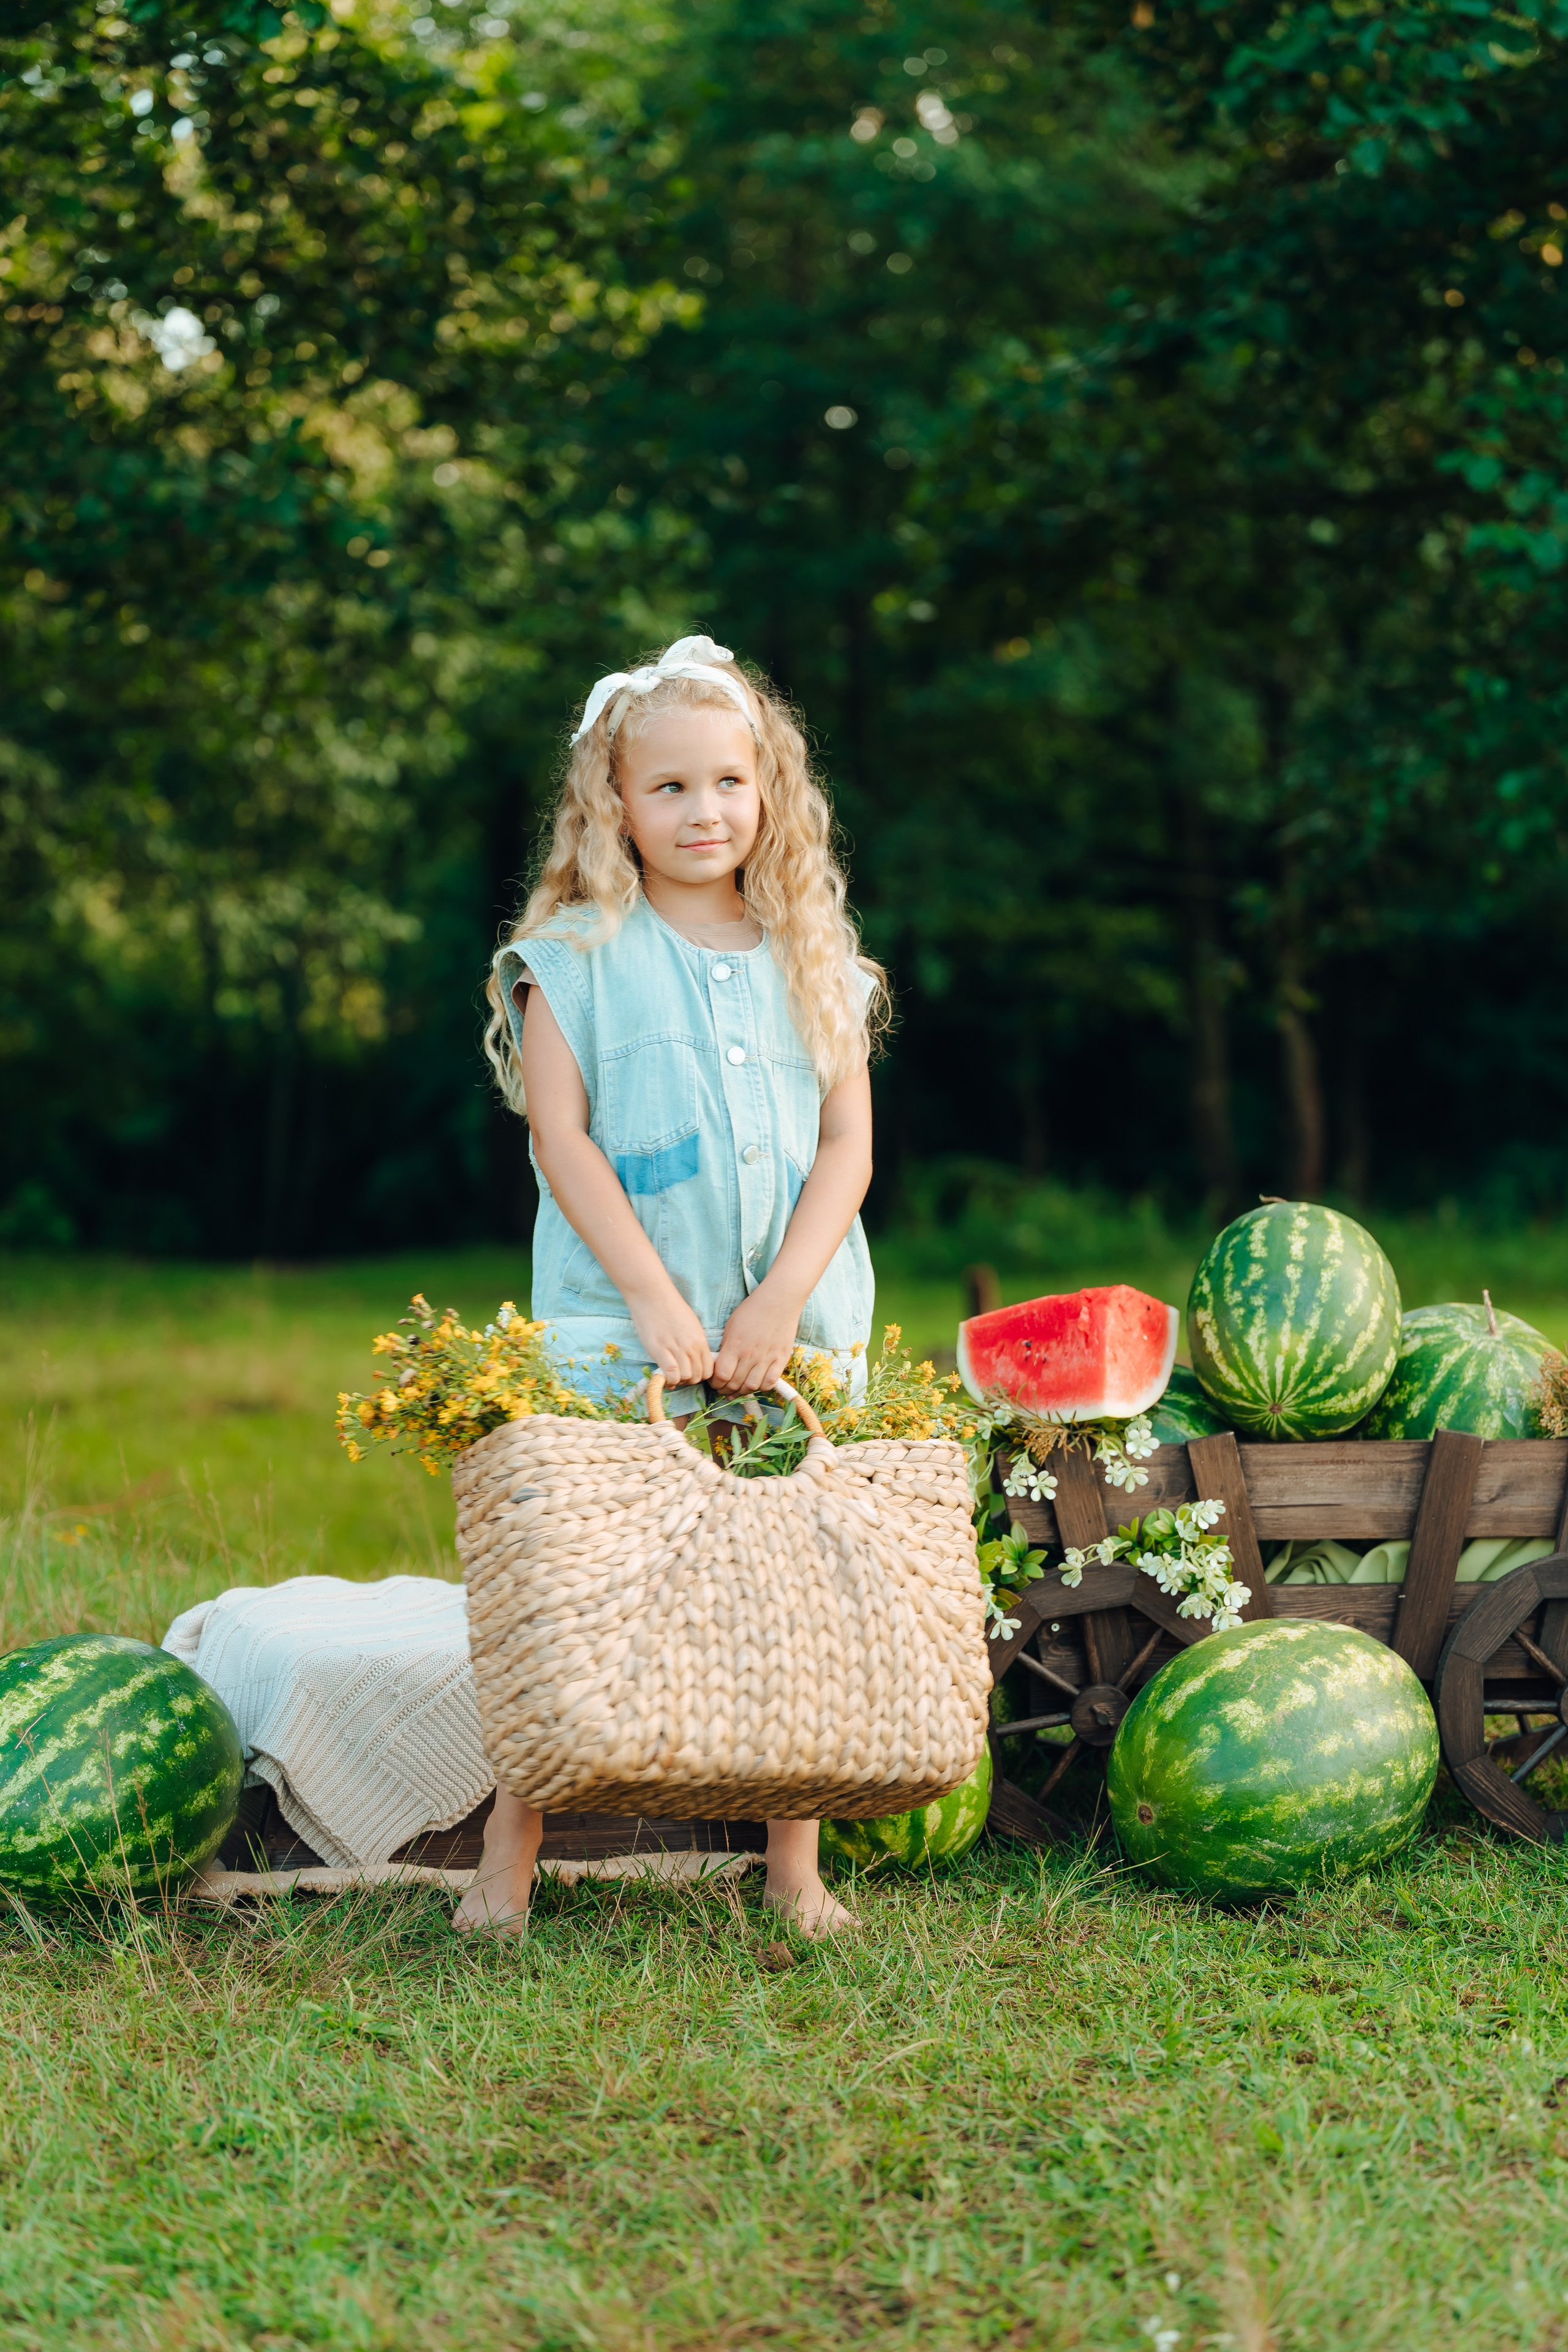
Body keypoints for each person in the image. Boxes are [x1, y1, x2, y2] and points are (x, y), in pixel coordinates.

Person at [456, 634, 888, 1939]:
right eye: (668, 790)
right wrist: (650, 1296)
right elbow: (561, 1138)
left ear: (768, 792)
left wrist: (777, 1302)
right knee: (584, 1585)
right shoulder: (575, 956)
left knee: (786, 1579)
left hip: (787, 1325)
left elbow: (846, 1149)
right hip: (623, 1324)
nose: (703, 814)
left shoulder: (814, 953)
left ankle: (792, 1865)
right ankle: (509, 1848)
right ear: (612, 803)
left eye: (727, 784)